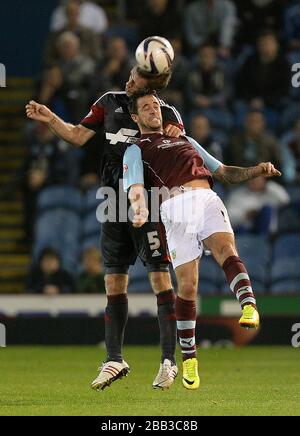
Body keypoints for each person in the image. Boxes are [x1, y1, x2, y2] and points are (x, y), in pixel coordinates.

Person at [26, 64, 186, 391]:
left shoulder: (165, 111)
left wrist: (177, 134)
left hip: (150, 200)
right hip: (112, 201)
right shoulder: (108, 101)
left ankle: (168, 361)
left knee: (158, 277)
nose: (128, 81)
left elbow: (180, 153)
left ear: (148, 81)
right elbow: (76, 135)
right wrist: (51, 117)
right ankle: (114, 358)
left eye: (135, 78)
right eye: (128, 76)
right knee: (113, 280)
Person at [123, 90, 281, 389]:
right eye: (145, 107)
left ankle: (248, 305)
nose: (152, 110)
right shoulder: (136, 147)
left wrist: (255, 170)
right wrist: (140, 208)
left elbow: (224, 173)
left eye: (155, 105)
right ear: (136, 117)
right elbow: (134, 186)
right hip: (175, 205)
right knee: (188, 285)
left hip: (207, 197)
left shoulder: (187, 140)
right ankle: (190, 358)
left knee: (225, 248)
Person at [226, 176, 290, 234]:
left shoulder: (271, 192)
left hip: (269, 233)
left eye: (257, 180)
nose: (254, 182)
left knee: (267, 209)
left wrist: (269, 185)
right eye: (251, 179)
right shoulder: (237, 195)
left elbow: (285, 200)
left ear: (264, 181)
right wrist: (245, 215)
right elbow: (228, 217)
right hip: (245, 230)